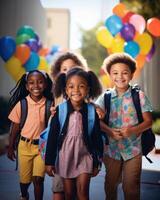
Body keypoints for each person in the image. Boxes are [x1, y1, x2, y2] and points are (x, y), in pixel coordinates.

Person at [95, 53, 153, 200]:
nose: (120, 76)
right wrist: (109, 131)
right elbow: (96, 120)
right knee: (110, 185)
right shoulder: (104, 97)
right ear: (109, 75)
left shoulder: (139, 96)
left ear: (132, 74)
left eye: (124, 72)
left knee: (131, 187)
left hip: (133, 150)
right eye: (115, 73)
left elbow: (148, 122)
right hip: (111, 150)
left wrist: (132, 130)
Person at [45, 67, 104, 200]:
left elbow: (97, 139)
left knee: (83, 192)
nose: (76, 90)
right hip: (65, 156)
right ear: (66, 90)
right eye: (71, 86)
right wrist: (49, 162)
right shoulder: (60, 110)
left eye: (81, 86)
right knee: (69, 193)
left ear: (88, 89)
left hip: (85, 157)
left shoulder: (91, 111)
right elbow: (52, 138)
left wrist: (97, 162)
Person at [7, 70, 53, 200]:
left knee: (38, 179)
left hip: (41, 147)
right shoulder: (22, 104)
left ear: (45, 85)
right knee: (25, 181)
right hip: (24, 146)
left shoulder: (50, 104)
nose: (36, 86)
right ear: (27, 86)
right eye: (31, 83)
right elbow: (15, 127)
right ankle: (24, 194)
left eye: (40, 82)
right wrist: (11, 147)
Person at [50, 51, 88, 200]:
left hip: (80, 151)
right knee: (60, 190)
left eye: (72, 68)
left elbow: (89, 110)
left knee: (78, 191)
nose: (68, 71)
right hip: (61, 150)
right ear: (58, 72)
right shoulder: (54, 94)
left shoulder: (81, 95)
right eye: (64, 69)